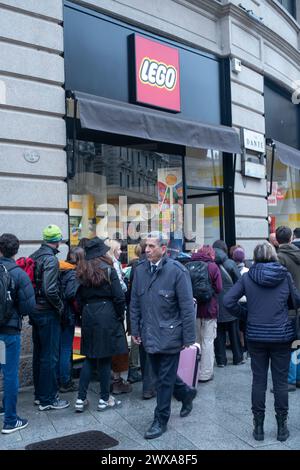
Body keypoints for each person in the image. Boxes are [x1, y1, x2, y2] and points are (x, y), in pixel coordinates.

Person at [224, 241, 300, 442]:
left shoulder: (248, 277)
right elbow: (296, 301)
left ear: (255, 256)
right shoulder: (284, 276)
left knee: (258, 381)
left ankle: (258, 428)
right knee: (281, 382)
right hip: (281, 336)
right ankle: (282, 428)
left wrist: (246, 315)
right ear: (273, 254)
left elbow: (228, 301)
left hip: (256, 336)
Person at [130, 232, 197, 440]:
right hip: (148, 334)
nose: (146, 250)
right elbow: (134, 303)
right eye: (145, 246)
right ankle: (186, 394)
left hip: (170, 335)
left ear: (163, 249)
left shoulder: (177, 271)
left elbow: (186, 307)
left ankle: (160, 420)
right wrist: (135, 329)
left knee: (163, 381)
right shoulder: (139, 270)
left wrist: (188, 338)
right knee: (161, 375)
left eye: (151, 246)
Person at [75, 237, 128, 412]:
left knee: (89, 358)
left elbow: (79, 299)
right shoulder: (109, 269)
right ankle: (105, 399)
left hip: (88, 315)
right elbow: (119, 297)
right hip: (107, 314)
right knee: (105, 358)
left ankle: (80, 399)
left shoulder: (82, 270)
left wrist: (85, 312)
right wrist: (120, 315)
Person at [30, 225, 70, 411]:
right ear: (58, 240)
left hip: (35, 310)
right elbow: (50, 289)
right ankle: (48, 399)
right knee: (50, 356)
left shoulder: (34, 256)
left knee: (39, 354)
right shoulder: (51, 260)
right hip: (47, 312)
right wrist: (60, 306)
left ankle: (40, 395)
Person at [0, 234, 36, 433]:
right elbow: (28, 306)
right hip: (9, 332)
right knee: (10, 374)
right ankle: (10, 420)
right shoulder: (19, 274)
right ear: (16, 251)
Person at [188, 245, 222, 382]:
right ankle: (205, 373)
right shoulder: (213, 267)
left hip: (194, 309)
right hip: (209, 309)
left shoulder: (189, 265)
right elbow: (219, 288)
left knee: (196, 341)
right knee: (208, 341)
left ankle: (194, 372)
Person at [106, 239, 132, 394]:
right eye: (119, 249)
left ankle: (113, 378)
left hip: (103, 311)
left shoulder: (99, 263)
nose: (121, 251)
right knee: (119, 345)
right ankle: (118, 380)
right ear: (113, 250)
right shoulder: (113, 263)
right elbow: (120, 287)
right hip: (115, 309)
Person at [276, 226, 300, 391]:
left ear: (277, 240)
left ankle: (290, 379)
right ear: (291, 238)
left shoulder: (279, 258)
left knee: (289, 344)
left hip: (288, 307)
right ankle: (297, 377)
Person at [212, 240, 244, 367]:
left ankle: (221, 360)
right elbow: (240, 283)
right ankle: (238, 357)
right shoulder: (230, 263)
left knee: (218, 333)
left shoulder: (209, 264)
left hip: (215, 303)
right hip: (231, 303)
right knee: (234, 331)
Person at [58, 246, 84, 393]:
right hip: (70, 315)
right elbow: (70, 294)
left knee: (64, 347)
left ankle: (63, 378)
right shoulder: (73, 273)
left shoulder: (61, 268)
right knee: (67, 348)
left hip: (61, 314)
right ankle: (66, 382)